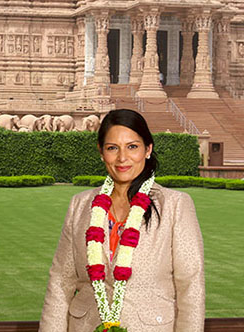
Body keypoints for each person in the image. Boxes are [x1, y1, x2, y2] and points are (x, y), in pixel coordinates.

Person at [39, 109, 205, 331]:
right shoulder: (81, 205)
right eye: (112, 148)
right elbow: (61, 281)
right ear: (101, 152)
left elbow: (190, 286)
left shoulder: (175, 205)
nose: (122, 158)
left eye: (132, 147)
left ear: (148, 149)